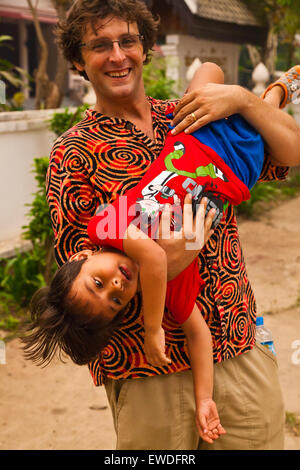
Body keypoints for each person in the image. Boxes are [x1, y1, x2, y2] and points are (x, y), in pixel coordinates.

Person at [30, 0, 300, 450]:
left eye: (128, 41)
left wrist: (244, 99)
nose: (118, 55)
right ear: (79, 60)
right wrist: (185, 241)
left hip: (237, 346)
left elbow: (288, 151)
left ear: (144, 48)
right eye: (100, 45)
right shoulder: (73, 152)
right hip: (145, 374)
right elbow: (87, 278)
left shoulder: (193, 108)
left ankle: (278, 90)